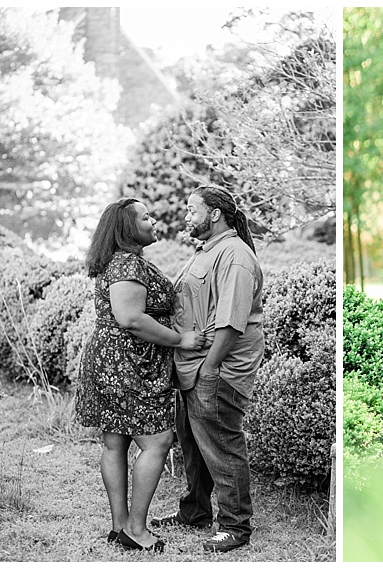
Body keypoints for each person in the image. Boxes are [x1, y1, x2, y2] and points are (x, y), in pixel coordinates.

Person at [77, 198, 205, 552]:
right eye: (144, 216)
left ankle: (120, 527)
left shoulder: (121, 262)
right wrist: (181, 339)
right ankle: (135, 528)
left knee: (115, 440)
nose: (152, 220)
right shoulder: (126, 265)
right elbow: (131, 319)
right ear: (127, 228)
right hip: (129, 362)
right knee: (158, 441)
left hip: (113, 359)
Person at [150, 186, 264, 553]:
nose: (186, 216)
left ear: (214, 214)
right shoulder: (207, 251)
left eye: (191, 209)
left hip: (218, 368)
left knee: (222, 445)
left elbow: (232, 322)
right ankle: (195, 511)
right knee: (194, 444)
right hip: (193, 366)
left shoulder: (234, 256)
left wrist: (212, 369)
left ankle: (235, 526)